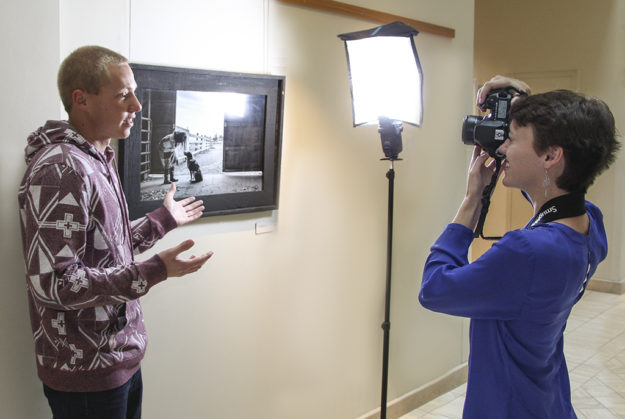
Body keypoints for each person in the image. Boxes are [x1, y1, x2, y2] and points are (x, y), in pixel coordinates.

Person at [17, 45, 214, 419]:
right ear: (81, 100)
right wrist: (153, 270)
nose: (136, 106)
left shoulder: (95, 159)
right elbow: (54, 283)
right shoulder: (62, 170)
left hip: (116, 359)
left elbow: (107, 247)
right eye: (123, 95)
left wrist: (162, 220)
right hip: (87, 372)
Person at [419, 75, 620, 418]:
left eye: (511, 139)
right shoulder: (589, 225)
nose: (500, 148)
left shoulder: (526, 252)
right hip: (547, 399)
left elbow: (434, 289)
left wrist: (471, 202)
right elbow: (548, 197)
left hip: (507, 406)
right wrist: (526, 104)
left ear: (551, 155)